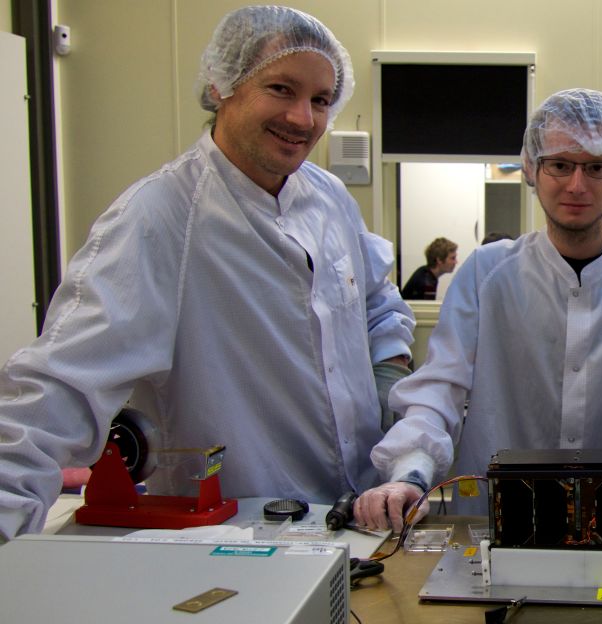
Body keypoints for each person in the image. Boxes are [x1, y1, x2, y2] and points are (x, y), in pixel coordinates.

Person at [0, 6, 415, 541]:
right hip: (236, 534)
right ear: (222, 85)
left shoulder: (328, 196)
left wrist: (390, 379)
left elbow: (379, 302)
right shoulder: (159, 218)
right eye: (281, 89)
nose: (302, 119)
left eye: (320, 99)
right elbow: (55, 392)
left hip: (358, 514)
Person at [355, 88, 602, 530]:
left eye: (597, 167)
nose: (577, 185)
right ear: (532, 167)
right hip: (491, 523)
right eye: (560, 165)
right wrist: (410, 473)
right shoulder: (487, 275)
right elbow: (439, 390)